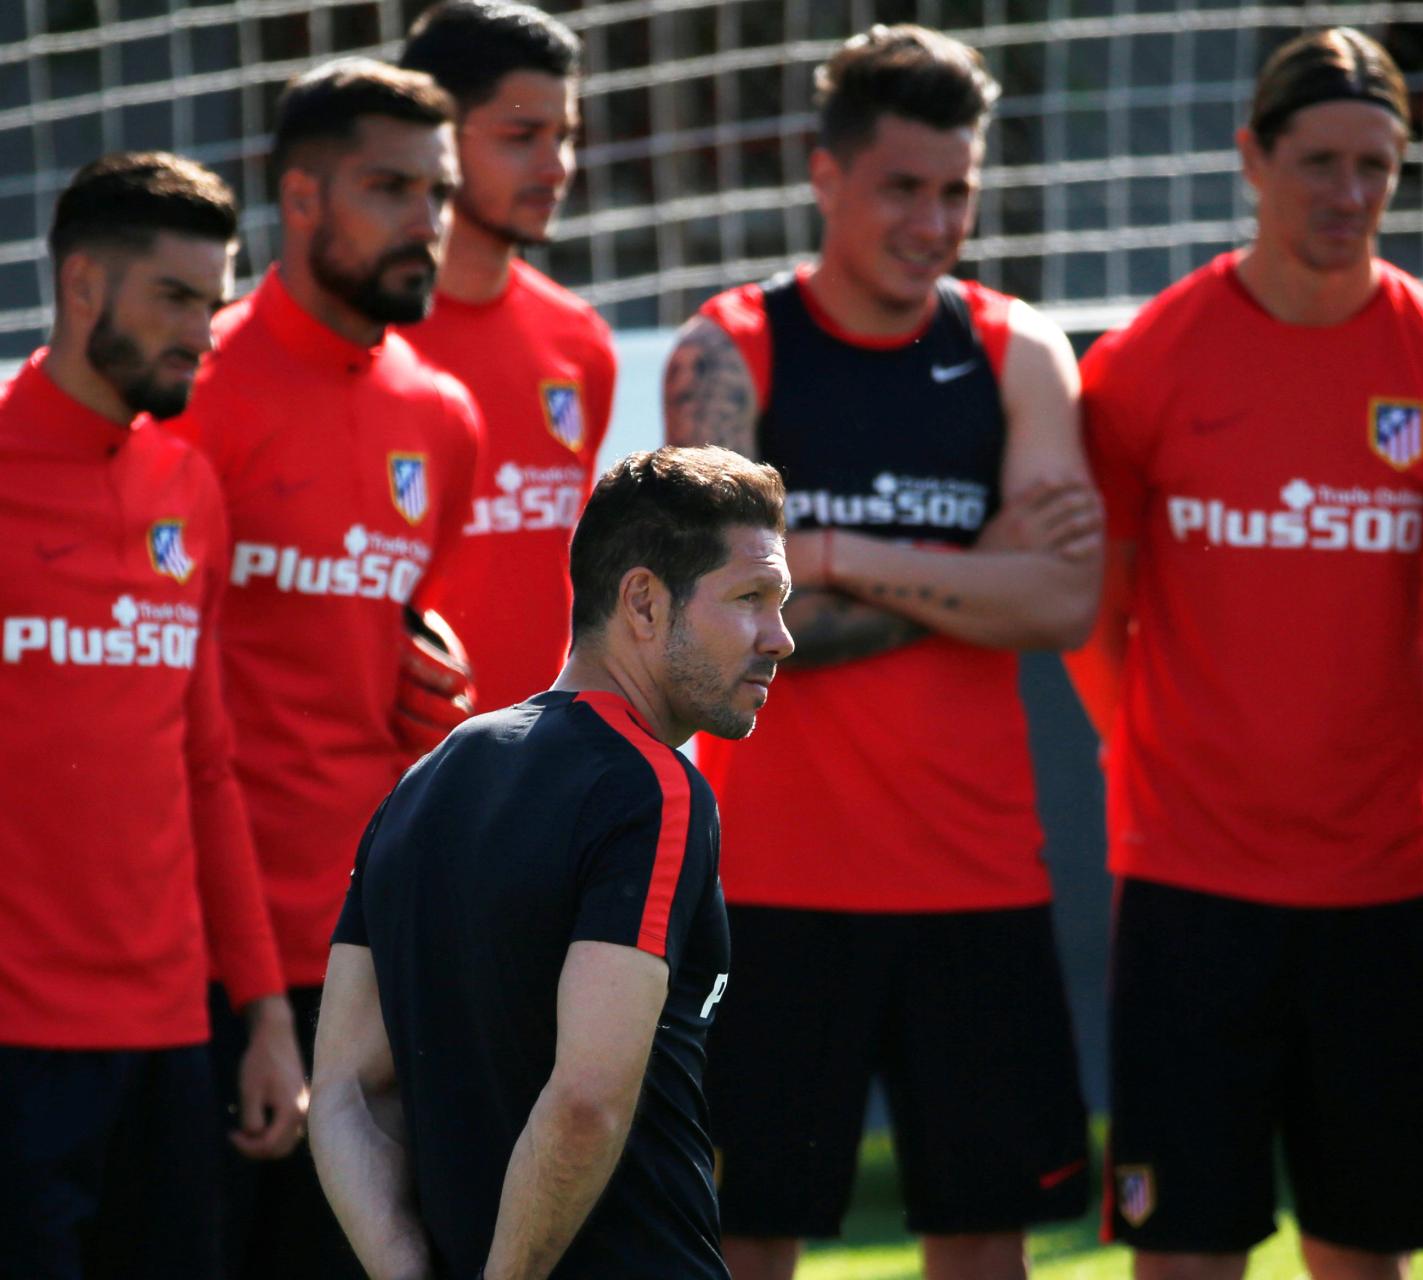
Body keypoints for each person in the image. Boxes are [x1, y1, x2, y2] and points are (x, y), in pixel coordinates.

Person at [1067, 27, 1423, 1280]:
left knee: (1364, 1254)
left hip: (1379, 887)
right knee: (1182, 1251)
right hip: (1186, 886)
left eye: (1374, 165)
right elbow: (1090, 623)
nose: (1347, 194)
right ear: (1249, 160)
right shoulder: (1143, 364)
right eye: (1317, 161)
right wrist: (1168, 760)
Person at [664, 24, 1101, 1280]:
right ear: (824, 176)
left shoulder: (1018, 348)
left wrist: (833, 549)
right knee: (743, 1238)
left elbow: (1065, 602)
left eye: (957, 189)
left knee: (981, 1239)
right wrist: (981, 566)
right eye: (902, 187)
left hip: (978, 877)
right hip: (770, 885)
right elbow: (724, 633)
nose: (934, 220)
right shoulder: (728, 347)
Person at [310, 445, 789, 1280]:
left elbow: (347, 1093)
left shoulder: (425, 780)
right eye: (751, 598)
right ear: (642, 601)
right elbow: (585, 1100)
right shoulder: (655, 789)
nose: (779, 638)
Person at [162, 61, 483, 1279]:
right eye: (389, 187)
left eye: (437, 192)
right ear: (299, 199)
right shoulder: (194, 388)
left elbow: (403, 648)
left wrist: (436, 686)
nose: (426, 222)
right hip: (201, 955)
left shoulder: (442, 415)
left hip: (374, 944)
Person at [0, 152, 303, 1279]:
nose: (203, 333)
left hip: (175, 1036)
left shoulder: (187, 489)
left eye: (214, 301)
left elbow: (207, 771)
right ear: (83, 286)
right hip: (16, 1042)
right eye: (175, 298)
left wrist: (264, 1014)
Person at [400, 0, 619, 713]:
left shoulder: (579, 340)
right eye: (522, 135)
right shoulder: (368, 343)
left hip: (539, 767)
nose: (556, 166)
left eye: (565, 136)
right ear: (437, 137)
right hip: (398, 776)